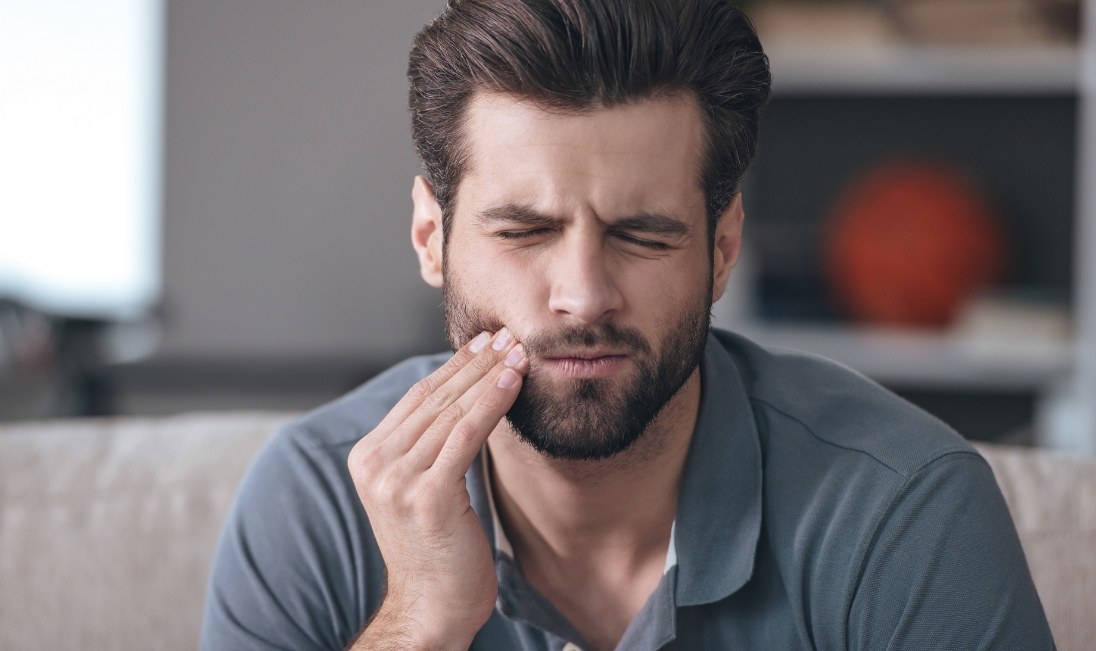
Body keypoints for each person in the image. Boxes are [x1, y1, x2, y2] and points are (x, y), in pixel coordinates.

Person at [201, 1, 1056, 649]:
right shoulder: (315, 501)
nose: (582, 295)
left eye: (642, 235)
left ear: (722, 250)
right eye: (524, 231)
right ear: (432, 237)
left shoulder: (900, 507)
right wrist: (417, 620)